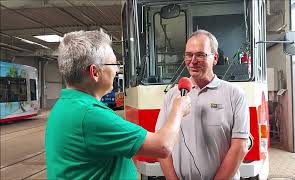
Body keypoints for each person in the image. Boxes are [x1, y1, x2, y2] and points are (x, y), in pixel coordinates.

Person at [45, 30, 191, 180]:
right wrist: (178, 109)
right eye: (114, 63)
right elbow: (162, 146)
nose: (116, 69)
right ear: (95, 72)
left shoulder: (63, 107)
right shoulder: (90, 114)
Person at [155, 29, 249, 180]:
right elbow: (161, 145)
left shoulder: (235, 94)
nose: (192, 61)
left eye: (200, 55)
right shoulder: (173, 95)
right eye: (188, 55)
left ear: (215, 58)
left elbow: (240, 146)